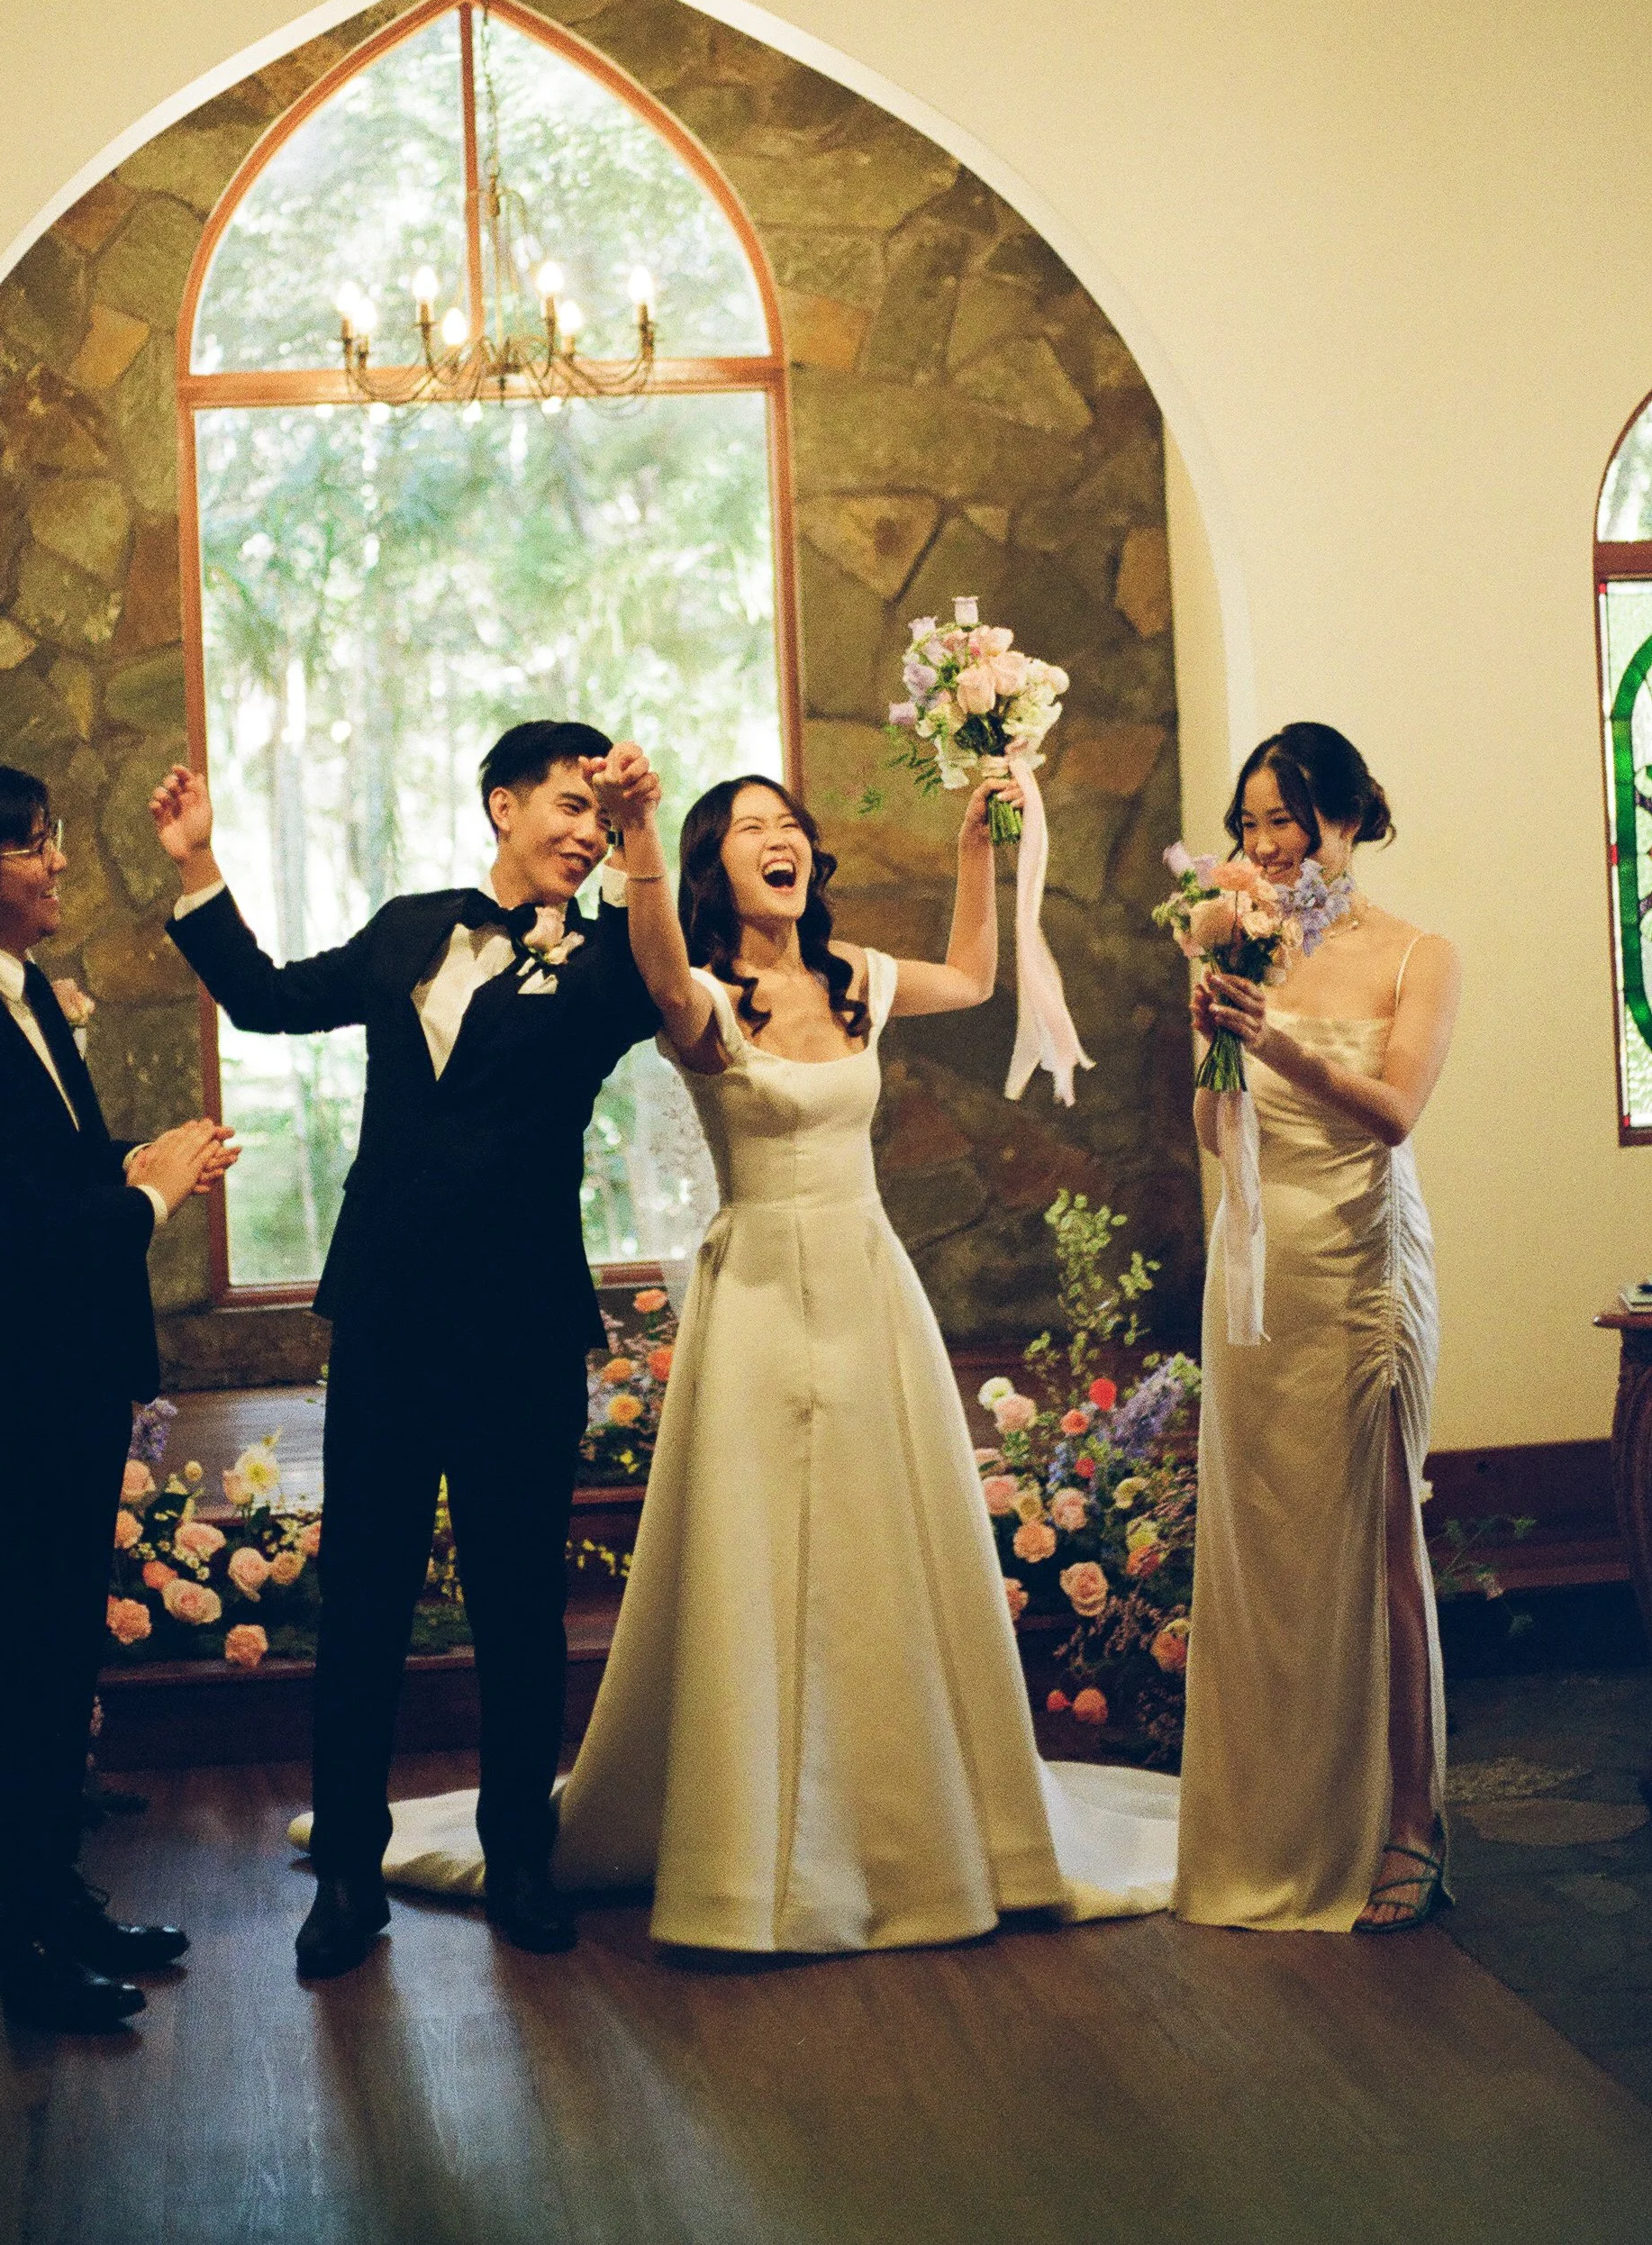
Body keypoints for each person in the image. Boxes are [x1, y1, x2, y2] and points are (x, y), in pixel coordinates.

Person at [368, 750, 1177, 1950]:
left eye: (788, 821)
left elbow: (970, 972)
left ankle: (917, 1822)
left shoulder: (855, 977)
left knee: (882, 1543)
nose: (778, 835)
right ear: (714, 864)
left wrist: (974, 846)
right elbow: (651, 966)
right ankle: (754, 1841)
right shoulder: (693, 988)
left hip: (866, 1285)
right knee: (756, 1557)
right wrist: (639, 839)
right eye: (750, 827)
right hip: (753, 1293)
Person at [149, 720, 660, 1972]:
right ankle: (346, 1885)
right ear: (501, 805)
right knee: (364, 1601)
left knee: (518, 1607)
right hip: (386, 1316)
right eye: (567, 803)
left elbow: (663, 989)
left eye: (601, 813)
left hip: (525, 1325)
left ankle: (520, 1861)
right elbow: (267, 1001)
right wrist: (198, 867)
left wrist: (646, 847)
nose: (584, 830)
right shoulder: (405, 926)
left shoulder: (606, 961)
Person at [0, 762, 235, 2031]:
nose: (63, 861)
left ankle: (54, 1895)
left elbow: (49, 1166)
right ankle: (15, 1945)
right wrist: (151, 1194)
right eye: (37, 845)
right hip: (2, 1388)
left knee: (57, 1657)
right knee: (21, 1661)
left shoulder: (18, 989)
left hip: (61, 1376)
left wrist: (128, 1160)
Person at [1174, 723, 1462, 1933]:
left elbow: (1394, 1112)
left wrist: (1272, 1036)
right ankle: (1283, 1815)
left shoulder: (1416, 954)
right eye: (1246, 824)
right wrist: (1218, 1045)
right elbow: (1208, 1129)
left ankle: (1408, 1824)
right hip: (1255, 1271)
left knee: (1379, 1536)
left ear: (1343, 818)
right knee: (1268, 1543)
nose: (1258, 845)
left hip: (1358, 1265)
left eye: (1279, 821)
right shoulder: (1240, 941)